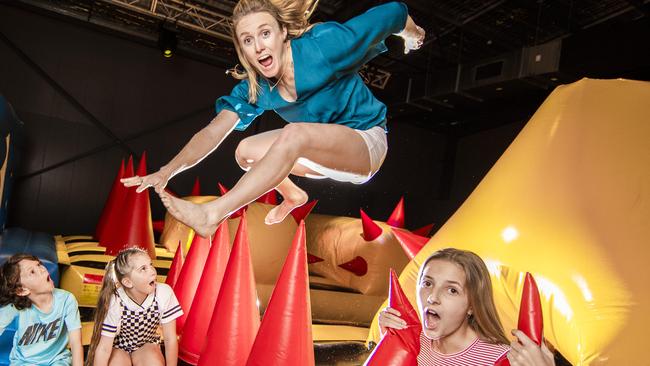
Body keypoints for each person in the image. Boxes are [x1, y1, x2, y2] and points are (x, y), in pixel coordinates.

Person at [121, 0, 426, 238]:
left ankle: (213, 214)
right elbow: (212, 133)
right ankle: (293, 195)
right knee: (245, 152)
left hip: (366, 144)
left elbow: (394, 12)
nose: (259, 47)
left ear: (282, 33)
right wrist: (168, 171)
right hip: (320, 154)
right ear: (242, 48)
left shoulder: (323, 46)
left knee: (294, 134)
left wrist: (412, 35)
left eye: (265, 34)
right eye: (248, 40)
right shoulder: (254, 88)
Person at [378, 248, 556, 366]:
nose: (432, 297)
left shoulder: (502, 359)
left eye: (452, 290)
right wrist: (386, 343)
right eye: (427, 283)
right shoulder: (412, 342)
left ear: (472, 305)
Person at [87, 248, 182, 366]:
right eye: (143, 269)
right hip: (119, 346)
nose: (152, 271)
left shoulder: (164, 293)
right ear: (128, 282)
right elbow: (104, 348)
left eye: (150, 265)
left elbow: (170, 339)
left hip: (146, 343)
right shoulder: (116, 300)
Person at [0, 254, 83, 365]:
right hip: (25, 361)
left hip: (57, 359)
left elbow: (76, 343)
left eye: (39, 264)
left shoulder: (66, 300)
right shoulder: (15, 307)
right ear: (22, 290)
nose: (42, 269)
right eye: (32, 272)